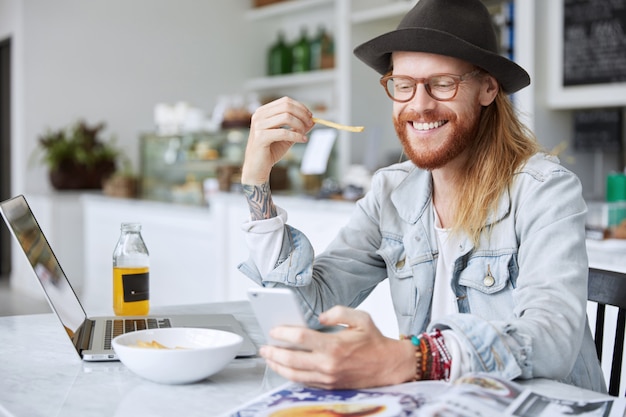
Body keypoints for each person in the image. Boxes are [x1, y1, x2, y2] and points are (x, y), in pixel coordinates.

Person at [238, 0, 606, 392]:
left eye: (443, 83)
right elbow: (306, 308)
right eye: (404, 84)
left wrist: (413, 357)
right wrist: (257, 178)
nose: (419, 104)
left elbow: (551, 339)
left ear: (487, 88)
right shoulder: (391, 192)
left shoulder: (545, 189)